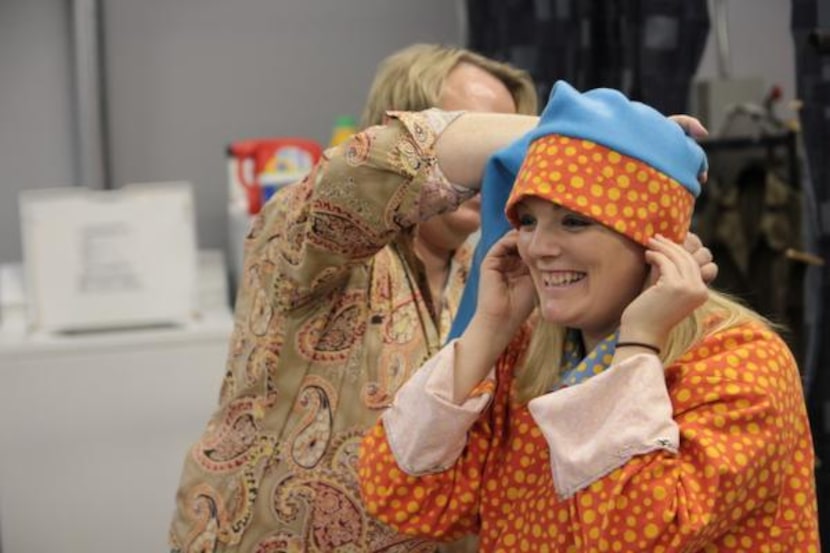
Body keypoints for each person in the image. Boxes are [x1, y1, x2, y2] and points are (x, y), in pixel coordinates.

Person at [168, 43, 712, 552]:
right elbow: (387, 158)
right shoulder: (311, 241)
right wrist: (603, 139)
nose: (503, 166)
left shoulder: (511, 277)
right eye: (494, 140)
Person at [358, 81, 820, 551]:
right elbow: (402, 495)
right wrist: (489, 328)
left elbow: (634, 536)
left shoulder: (737, 363)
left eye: (574, 221)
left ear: (655, 239)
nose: (539, 247)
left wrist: (638, 342)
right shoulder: (530, 356)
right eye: (529, 220)